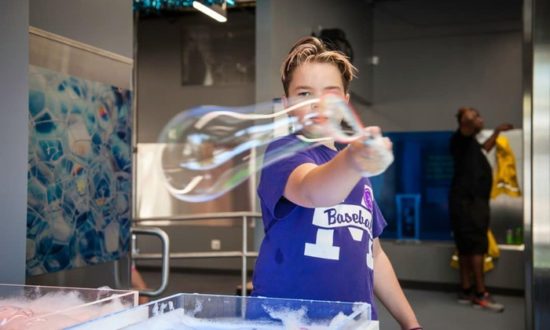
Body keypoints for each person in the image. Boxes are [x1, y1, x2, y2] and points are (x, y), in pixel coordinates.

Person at [251, 36, 421, 330]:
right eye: (304, 93)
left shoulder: (356, 170)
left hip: (354, 322)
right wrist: (354, 160)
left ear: (345, 102)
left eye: (330, 93)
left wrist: (411, 324)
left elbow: (375, 253)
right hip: (287, 320)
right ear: (287, 104)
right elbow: (314, 190)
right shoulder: (283, 152)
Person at [449, 107, 513, 312]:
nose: (480, 118)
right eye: (476, 116)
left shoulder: (471, 145)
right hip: (468, 205)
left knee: (468, 247)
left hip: (469, 204)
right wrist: (468, 115)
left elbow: (485, 147)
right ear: (465, 122)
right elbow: (467, 123)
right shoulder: (460, 138)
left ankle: (466, 290)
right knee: (475, 248)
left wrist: (497, 133)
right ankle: (480, 294)